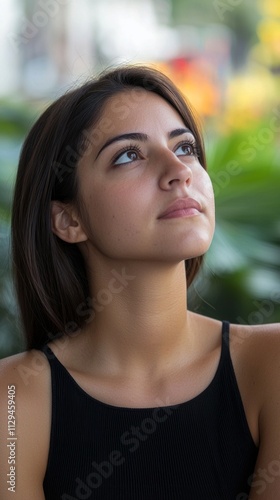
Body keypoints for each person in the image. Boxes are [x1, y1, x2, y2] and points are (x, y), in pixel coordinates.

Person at [0, 64, 279, 500]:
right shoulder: (12, 402)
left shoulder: (271, 364)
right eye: (128, 154)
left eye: (185, 147)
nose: (179, 171)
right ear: (68, 219)